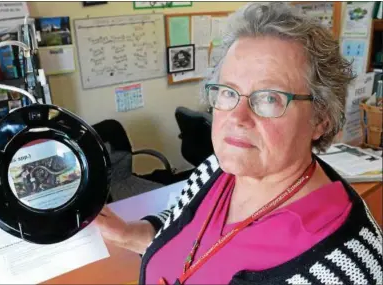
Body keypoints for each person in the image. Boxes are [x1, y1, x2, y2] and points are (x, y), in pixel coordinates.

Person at [94, 3, 383, 284]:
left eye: (270, 98)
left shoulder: (350, 266)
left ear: (321, 118)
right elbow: (184, 227)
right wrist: (131, 233)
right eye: (228, 92)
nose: (237, 117)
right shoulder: (215, 170)